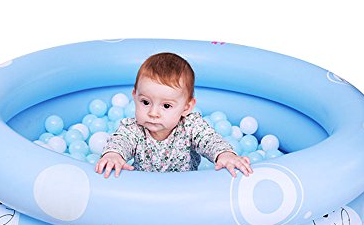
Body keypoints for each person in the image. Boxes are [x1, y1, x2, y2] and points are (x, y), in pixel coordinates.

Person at [95, 52, 253, 178]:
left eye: (166, 106)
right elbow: (120, 141)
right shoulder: (133, 129)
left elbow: (210, 140)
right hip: (144, 191)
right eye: (145, 102)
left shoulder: (191, 126)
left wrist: (225, 154)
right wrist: (113, 155)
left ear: (186, 107)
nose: (153, 113)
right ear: (135, 96)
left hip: (184, 192)